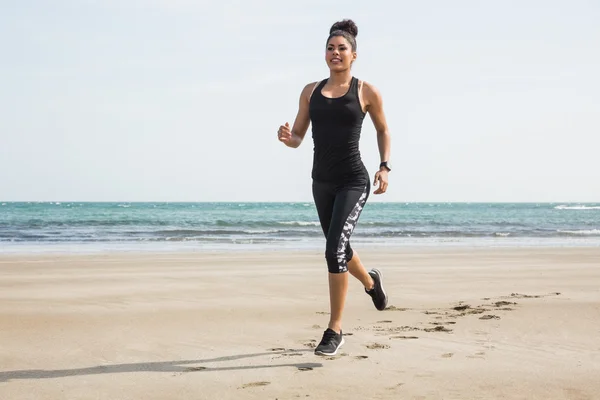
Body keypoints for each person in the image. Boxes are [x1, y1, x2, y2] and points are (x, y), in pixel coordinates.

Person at [277, 19, 392, 356]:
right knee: (338, 244)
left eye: (342, 48)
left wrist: (384, 166)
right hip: (321, 182)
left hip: (353, 181)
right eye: (330, 48)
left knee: (333, 251)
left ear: (354, 55)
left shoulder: (365, 91)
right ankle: (371, 282)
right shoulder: (310, 92)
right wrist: (288, 138)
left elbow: (383, 130)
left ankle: (335, 329)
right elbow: (298, 136)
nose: (335, 53)